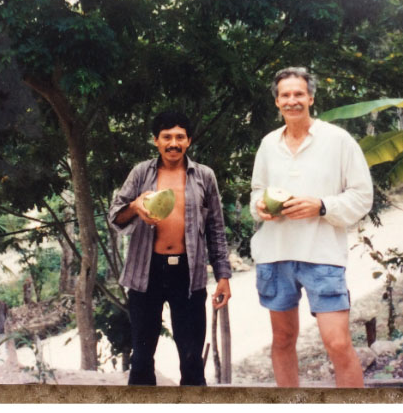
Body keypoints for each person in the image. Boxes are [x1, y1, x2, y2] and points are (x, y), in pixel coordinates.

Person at [250, 67, 373, 388]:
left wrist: (321, 206)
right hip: (275, 255)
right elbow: (256, 192)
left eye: (298, 94)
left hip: (323, 255)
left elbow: (362, 197)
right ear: (277, 102)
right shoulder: (267, 144)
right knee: (282, 340)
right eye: (285, 95)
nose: (292, 101)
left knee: (338, 343)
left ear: (311, 97)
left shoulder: (338, 140)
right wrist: (260, 207)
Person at [108, 110, 232, 386]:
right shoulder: (142, 173)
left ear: (188, 141)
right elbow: (115, 215)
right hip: (146, 273)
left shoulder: (204, 176)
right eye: (167, 137)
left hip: (188, 274)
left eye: (179, 137)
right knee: (141, 359)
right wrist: (135, 206)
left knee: (191, 361)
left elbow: (216, 230)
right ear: (156, 141)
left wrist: (223, 277)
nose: (173, 143)